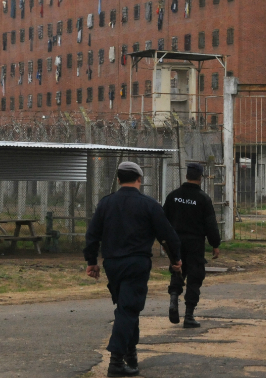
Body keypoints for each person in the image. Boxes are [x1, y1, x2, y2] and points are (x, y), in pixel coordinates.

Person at [85, 161, 183, 377]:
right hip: (137, 263)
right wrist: (175, 259)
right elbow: (166, 235)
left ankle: (131, 354)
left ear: (119, 180)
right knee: (128, 309)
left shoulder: (105, 203)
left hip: (112, 264)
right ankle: (116, 362)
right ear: (140, 179)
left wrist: (92, 261)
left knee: (127, 307)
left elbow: (92, 234)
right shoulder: (149, 204)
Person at [163, 162, 222, 328]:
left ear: (187, 176)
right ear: (200, 178)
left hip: (175, 243)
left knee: (177, 271)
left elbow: (163, 219)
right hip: (195, 243)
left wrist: (164, 242)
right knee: (195, 277)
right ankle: (189, 316)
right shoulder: (203, 198)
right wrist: (215, 244)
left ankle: (174, 299)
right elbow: (211, 224)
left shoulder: (173, 196)